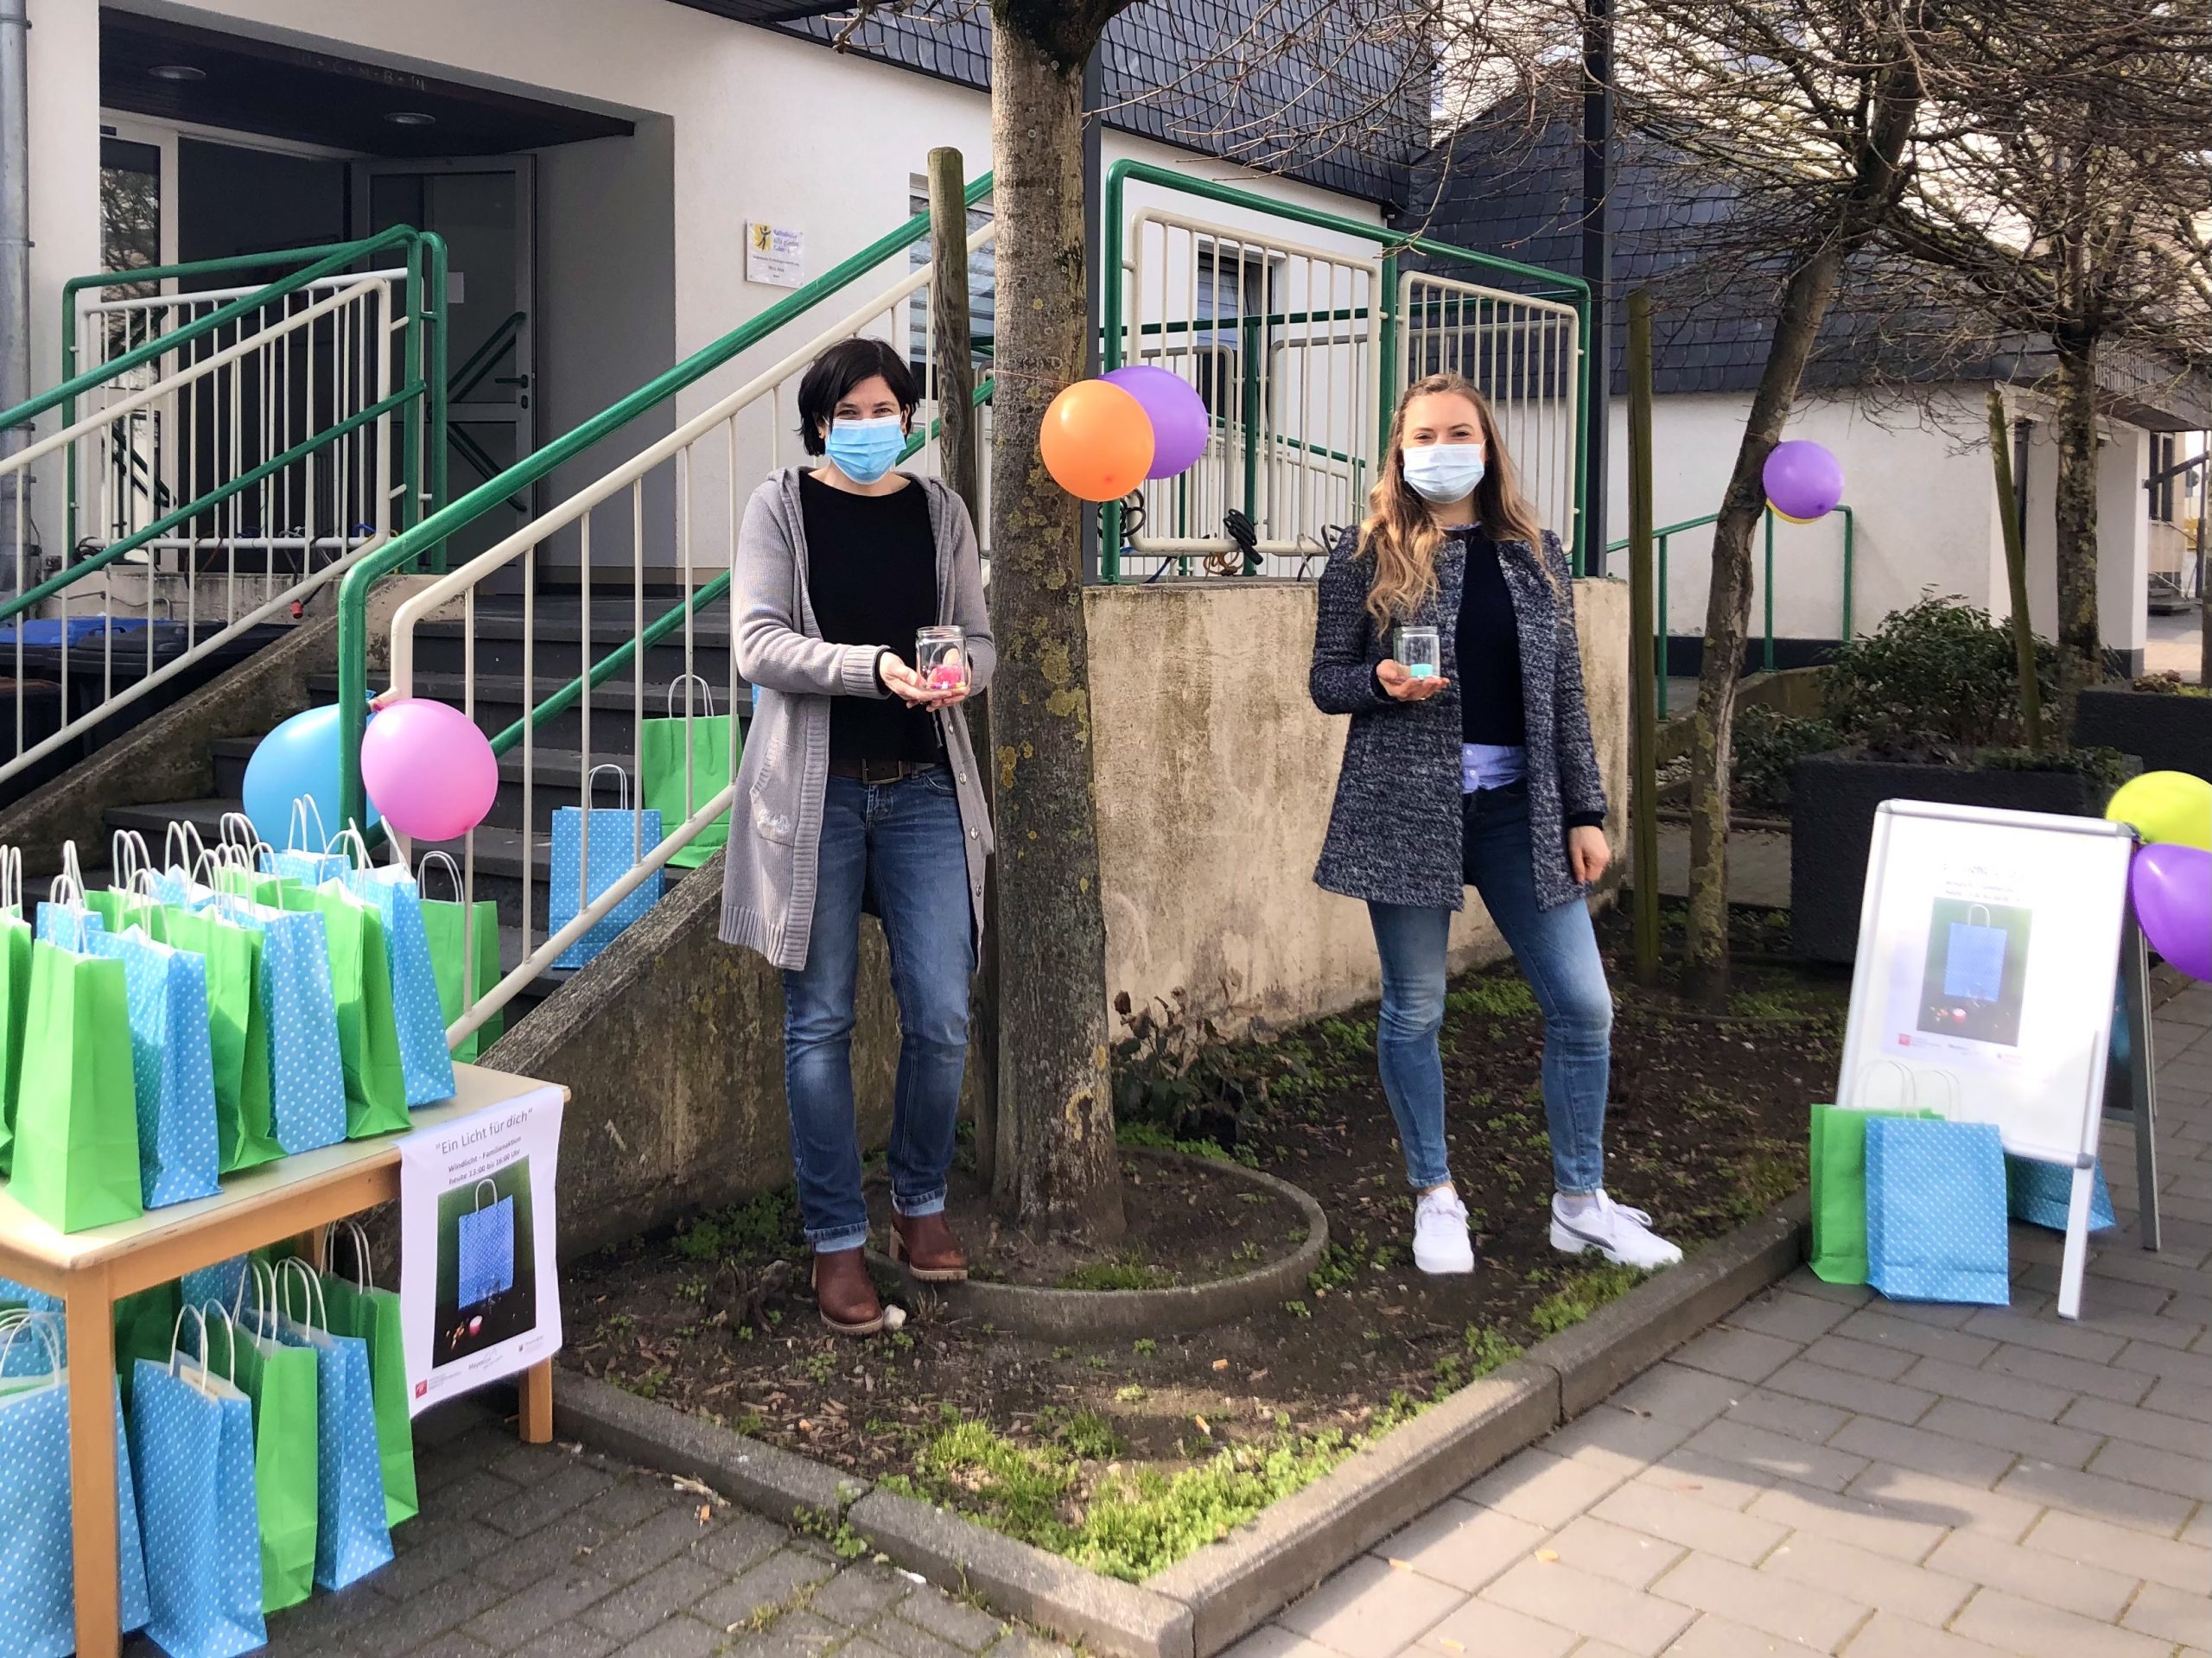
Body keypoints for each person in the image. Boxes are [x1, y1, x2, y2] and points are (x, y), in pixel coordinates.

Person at [1308, 372, 1681, 1277]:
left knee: (1583, 1005)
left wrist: (1585, 811)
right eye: (1423, 435)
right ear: (1399, 450)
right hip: (1407, 805)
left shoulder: (1535, 552)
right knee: (1415, 1008)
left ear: (1487, 444)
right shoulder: (1364, 554)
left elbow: (1564, 692)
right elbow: (1326, 679)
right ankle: (1435, 1195)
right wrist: (1379, 684)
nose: (1441, 449)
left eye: (1458, 432)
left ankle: (1580, 1204)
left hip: (1523, 810)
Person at [720, 337, 995, 1335]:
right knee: (820, 1020)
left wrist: (961, 674)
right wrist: (869, 668)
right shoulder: (780, 507)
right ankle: (835, 1239)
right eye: (850, 413)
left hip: (924, 787)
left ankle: (919, 1199)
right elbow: (756, 643)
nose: (871, 426)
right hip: (816, 797)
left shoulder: (942, 511)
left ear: (909, 417)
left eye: (887, 409)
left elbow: (981, 637)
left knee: (942, 1009)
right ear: (820, 423)